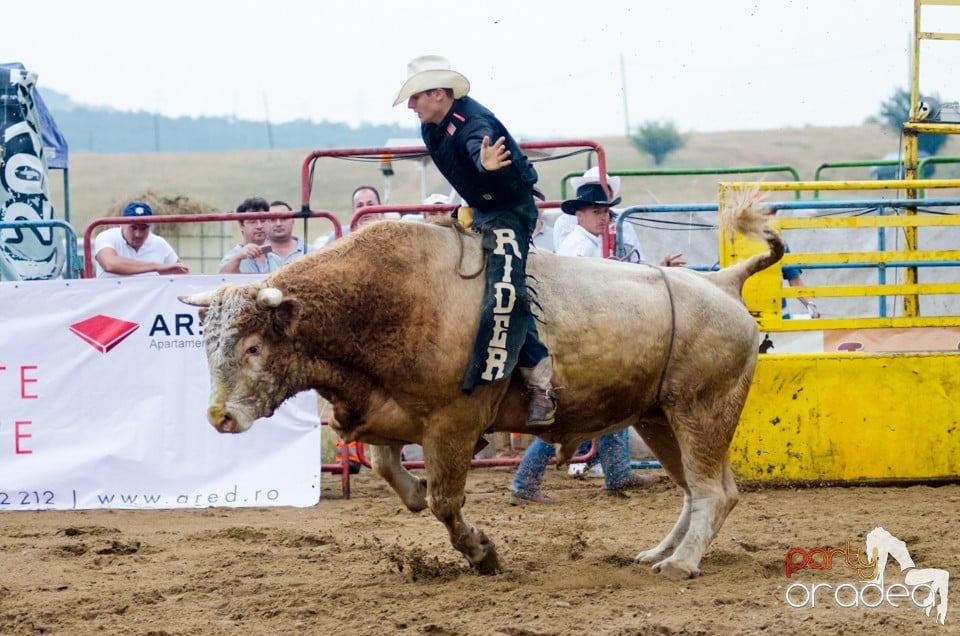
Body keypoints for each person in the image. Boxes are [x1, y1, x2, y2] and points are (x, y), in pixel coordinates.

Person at [394, 55, 555, 427]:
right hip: (482, 208)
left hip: (510, 211)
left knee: (504, 292)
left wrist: (485, 165)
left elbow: (475, 148)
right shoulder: (432, 127)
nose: (410, 105)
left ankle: (541, 385)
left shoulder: (473, 125)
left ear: (437, 94)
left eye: (415, 97)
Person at [94, 201, 189, 277]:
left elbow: (181, 273)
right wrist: (156, 267)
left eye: (144, 228)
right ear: (122, 224)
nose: (138, 234)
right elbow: (109, 264)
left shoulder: (159, 243)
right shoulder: (106, 237)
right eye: (133, 228)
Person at [218, 197, 279, 274]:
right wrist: (238, 258)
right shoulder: (233, 257)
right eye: (252, 222)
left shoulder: (276, 259)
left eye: (263, 221)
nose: (259, 226)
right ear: (241, 225)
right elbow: (221, 278)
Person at [267, 200, 313, 264]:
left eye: (284, 218)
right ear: (265, 222)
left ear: (293, 221)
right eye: (272, 219)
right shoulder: (257, 253)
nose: (278, 224)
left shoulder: (312, 253)